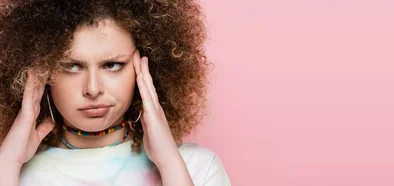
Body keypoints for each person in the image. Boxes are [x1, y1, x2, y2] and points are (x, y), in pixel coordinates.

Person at [0, 0, 231, 185]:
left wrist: (170, 164)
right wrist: (8, 163)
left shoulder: (196, 167)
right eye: (71, 66)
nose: (93, 89)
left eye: (112, 65)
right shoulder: (13, 169)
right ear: (43, 73)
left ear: (145, 67)